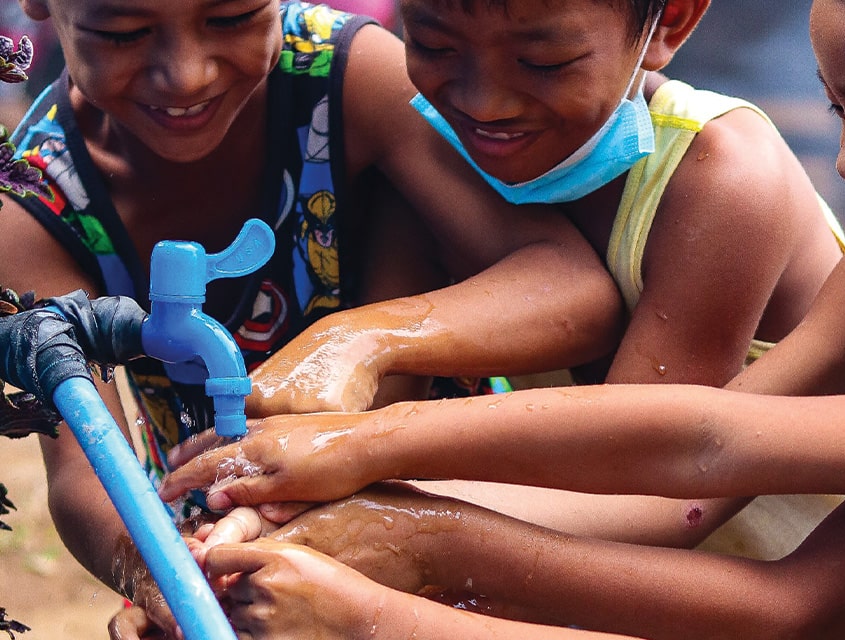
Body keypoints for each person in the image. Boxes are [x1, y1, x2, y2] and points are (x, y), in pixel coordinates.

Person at [159, 0, 845, 636]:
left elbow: (784, 603)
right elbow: (712, 442)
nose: (843, 167)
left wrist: (398, 572)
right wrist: (361, 461)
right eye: (835, 113)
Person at [0, 0, 625, 632]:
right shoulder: (34, 203)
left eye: (232, 18)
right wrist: (155, 567)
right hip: (233, 542)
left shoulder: (348, 78)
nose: (186, 74)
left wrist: (358, 340)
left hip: (461, 518)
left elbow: (566, 280)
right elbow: (84, 468)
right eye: (123, 32)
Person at [230, 0, 845, 546]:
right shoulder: (444, 156)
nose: (482, 101)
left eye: (544, 62)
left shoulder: (723, 182)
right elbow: (367, 419)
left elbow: (633, 481)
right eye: (435, 46)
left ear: (671, 20)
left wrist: (351, 513)